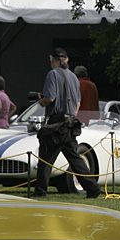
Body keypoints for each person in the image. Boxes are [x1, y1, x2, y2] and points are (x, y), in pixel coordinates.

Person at [33, 48, 101, 199]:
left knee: (46, 158)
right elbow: (77, 102)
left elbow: (50, 98)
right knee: (74, 158)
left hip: (56, 122)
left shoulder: (53, 74)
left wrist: (40, 101)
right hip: (70, 122)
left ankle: (40, 191)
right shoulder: (73, 77)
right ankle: (92, 187)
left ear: (54, 60)